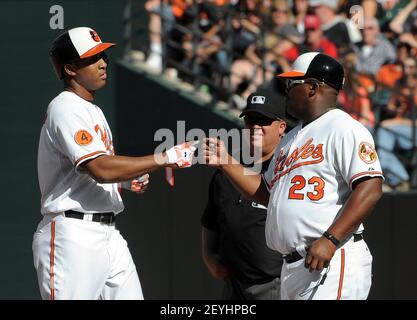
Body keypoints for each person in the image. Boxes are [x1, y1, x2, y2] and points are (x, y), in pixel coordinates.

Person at [33, 27, 197, 300]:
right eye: (92, 58)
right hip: (72, 235)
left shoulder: (91, 109)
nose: (103, 62)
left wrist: (123, 180)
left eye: (104, 55)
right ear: (71, 69)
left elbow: (92, 170)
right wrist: (165, 158)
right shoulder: (65, 106)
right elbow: (99, 168)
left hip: (108, 233)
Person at [203, 52, 384, 300]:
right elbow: (267, 193)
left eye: (292, 84)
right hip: (294, 266)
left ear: (312, 88)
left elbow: (371, 188)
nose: (286, 90)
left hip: (332, 258)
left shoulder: (344, 127)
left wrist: (331, 239)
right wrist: (226, 162)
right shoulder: (291, 138)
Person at [201, 89, 295, 300]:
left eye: (263, 120)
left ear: (282, 127)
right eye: (251, 120)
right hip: (233, 282)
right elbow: (210, 221)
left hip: (273, 283)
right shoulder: (228, 168)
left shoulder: (288, 169)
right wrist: (209, 257)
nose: (255, 127)